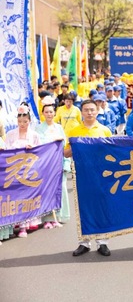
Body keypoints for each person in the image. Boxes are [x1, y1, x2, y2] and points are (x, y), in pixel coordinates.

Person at [64, 99, 112, 257]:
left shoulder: (104, 130)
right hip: (82, 173)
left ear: (97, 111)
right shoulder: (74, 131)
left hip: (101, 174)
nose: (89, 113)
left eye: (92, 110)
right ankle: (84, 242)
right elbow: (66, 153)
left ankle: (102, 241)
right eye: (86, 110)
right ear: (82, 112)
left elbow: (111, 153)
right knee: (83, 207)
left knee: (101, 206)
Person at [5, 104, 41, 238]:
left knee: (27, 198)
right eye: (20, 122)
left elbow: (40, 151)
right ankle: (16, 223)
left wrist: (32, 148)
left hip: (29, 170)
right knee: (16, 198)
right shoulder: (10, 134)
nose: (22, 124)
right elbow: (7, 150)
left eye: (25, 121)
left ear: (29, 121)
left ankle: (25, 226)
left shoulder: (35, 135)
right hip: (14, 171)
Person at [35, 96, 70, 227]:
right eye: (46, 112)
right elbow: (37, 145)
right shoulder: (38, 129)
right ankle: (47, 218)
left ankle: (60, 215)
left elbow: (65, 145)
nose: (49, 114)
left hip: (58, 162)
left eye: (51, 112)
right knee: (46, 190)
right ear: (43, 114)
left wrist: (66, 163)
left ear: (54, 113)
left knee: (61, 188)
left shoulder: (59, 128)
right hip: (46, 164)